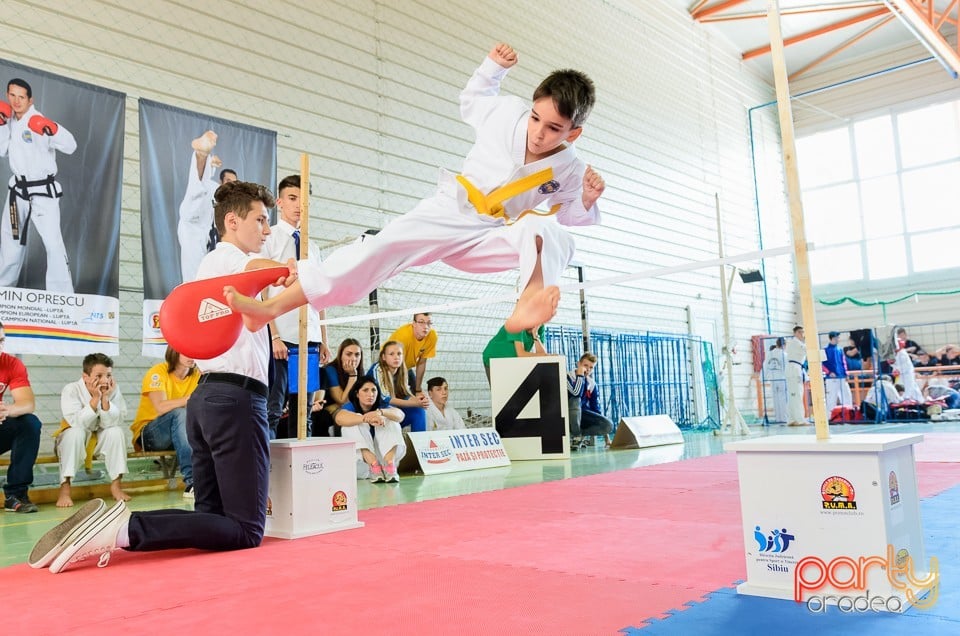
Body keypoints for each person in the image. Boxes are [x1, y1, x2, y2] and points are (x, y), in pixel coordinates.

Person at [224, 42, 605, 343]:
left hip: (492, 233)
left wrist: (585, 201)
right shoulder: (508, 112)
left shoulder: (571, 167)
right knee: (377, 249)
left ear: (573, 133)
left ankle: (525, 312)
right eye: (537, 119)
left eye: (554, 128)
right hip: (452, 211)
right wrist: (492, 67)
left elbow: (568, 212)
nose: (539, 132)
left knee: (549, 234)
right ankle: (269, 310)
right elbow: (472, 100)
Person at [33, 181, 298, 574]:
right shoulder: (229, 259)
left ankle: (118, 528)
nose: (265, 229)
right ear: (232, 221)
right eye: (260, 220)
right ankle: (123, 529)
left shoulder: (217, 268)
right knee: (245, 529)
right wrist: (286, 269)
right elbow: (258, 267)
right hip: (235, 401)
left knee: (214, 518)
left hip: (208, 400)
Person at [260, 175, 331, 439]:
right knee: (273, 410)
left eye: (303, 200)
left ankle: (300, 473)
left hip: (309, 338)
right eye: (292, 198)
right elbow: (262, 290)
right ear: (279, 202)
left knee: (304, 413)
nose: (298, 205)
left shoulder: (313, 246)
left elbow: (319, 292)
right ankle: (264, 474)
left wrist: (323, 338)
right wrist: (273, 335)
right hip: (283, 338)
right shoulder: (270, 239)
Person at [0, 78, 77, 292]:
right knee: (11, 242)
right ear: (7, 95)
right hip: (17, 191)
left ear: (30, 99)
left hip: (43, 192)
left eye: (21, 97)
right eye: (12, 95)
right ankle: (3, 290)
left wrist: (52, 129)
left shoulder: (37, 120)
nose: (16, 101)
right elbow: (1, 150)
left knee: (53, 244)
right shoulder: (8, 120)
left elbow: (71, 146)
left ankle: (62, 296)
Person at [55, 353, 129, 507]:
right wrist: (95, 399)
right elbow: (77, 422)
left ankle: (116, 485)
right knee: (75, 433)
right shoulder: (71, 389)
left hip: (99, 438)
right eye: (99, 375)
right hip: (73, 439)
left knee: (116, 432)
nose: (104, 380)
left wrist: (105, 399)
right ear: (85, 376)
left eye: (108, 375)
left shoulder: (113, 389)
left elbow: (113, 422)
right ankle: (65, 488)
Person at [130, 346, 200, 499]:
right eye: (186, 350)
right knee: (180, 413)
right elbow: (160, 407)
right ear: (175, 351)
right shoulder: (158, 372)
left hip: (181, 434)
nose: (191, 355)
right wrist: (190, 399)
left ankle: (209, 481)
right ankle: (192, 483)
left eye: (194, 350)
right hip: (150, 435)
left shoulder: (198, 376)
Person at [0, 321, 41, 513]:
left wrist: (6, 410)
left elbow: (27, 404)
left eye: (1, 341)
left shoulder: (11, 364)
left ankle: (16, 494)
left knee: (29, 423)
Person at [334, 376, 405, 483]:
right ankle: (374, 466)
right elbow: (339, 418)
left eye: (373, 390)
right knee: (352, 423)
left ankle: (390, 466)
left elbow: (400, 415)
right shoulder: (351, 406)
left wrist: (380, 413)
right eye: (365, 390)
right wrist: (365, 419)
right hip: (361, 464)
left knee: (391, 420)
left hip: (384, 464)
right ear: (357, 394)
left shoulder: (381, 406)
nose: (370, 394)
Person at [178, 130, 223, 283]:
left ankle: (203, 156)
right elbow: (198, 186)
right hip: (193, 222)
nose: (232, 184)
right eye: (228, 180)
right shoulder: (211, 186)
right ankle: (201, 154)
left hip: (207, 232)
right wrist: (205, 161)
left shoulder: (225, 202)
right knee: (197, 190)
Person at [368, 341, 428, 432]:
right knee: (395, 407)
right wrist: (415, 403)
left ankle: (419, 443)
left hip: (394, 411)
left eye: (399, 354)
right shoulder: (378, 369)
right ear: (383, 357)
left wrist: (419, 401)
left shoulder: (403, 369)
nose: (396, 357)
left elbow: (405, 395)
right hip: (375, 413)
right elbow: (386, 399)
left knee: (419, 411)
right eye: (391, 354)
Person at [313, 338, 365, 437]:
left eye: (357, 354)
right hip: (331, 411)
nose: (353, 358)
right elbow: (343, 400)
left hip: (350, 409)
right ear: (341, 355)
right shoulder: (331, 370)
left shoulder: (361, 373)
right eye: (348, 354)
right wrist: (352, 376)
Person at [566, 353, 614, 444]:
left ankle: (579, 435)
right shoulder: (567, 377)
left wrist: (606, 438)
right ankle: (576, 435)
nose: (588, 369)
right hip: (566, 413)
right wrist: (580, 375)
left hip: (582, 414)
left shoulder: (591, 383)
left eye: (591, 367)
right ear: (578, 364)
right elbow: (576, 393)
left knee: (608, 425)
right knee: (576, 401)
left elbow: (595, 407)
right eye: (585, 365)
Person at [387, 313, 437, 396]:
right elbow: (395, 364)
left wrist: (418, 390)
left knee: (417, 398)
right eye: (421, 322)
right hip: (389, 367)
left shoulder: (432, 336)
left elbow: (422, 362)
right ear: (414, 324)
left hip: (406, 367)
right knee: (399, 398)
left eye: (429, 323)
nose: (425, 327)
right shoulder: (404, 336)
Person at [482, 324, 546, 382]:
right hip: (495, 357)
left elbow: (542, 354)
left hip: (513, 360)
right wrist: (543, 356)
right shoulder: (517, 323)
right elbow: (521, 354)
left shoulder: (540, 326)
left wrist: (535, 334)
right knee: (502, 391)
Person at [205, 168, 237, 251]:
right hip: (207, 233)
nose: (231, 185)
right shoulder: (210, 192)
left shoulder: (236, 201)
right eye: (228, 181)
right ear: (221, 182)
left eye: (234, 182)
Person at [822, 331, 852, 410]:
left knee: (847, 395)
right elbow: (822, 364)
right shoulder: (825, 350)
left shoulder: (840, 350)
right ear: (832, 338)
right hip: (831, 378)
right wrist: (829, 372)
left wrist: (846, 373)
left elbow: (843, 362)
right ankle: (830, 416)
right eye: (837, 337)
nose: (838, 339)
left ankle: (849, 413)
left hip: (841, 376)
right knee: (831, 397)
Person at [785, 326, 807, 426]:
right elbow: (806, 350)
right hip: (794, 370)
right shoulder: (795, 343)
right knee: (796, 394)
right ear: (795, 333)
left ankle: (792, 419)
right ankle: (800, 419)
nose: (802, 334)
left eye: (802, 332)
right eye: (800, 332)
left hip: (795, 369)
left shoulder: (795, 343)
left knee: (793, 395)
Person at [762, 338, 788, 424]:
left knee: (776, 399)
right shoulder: (784, 355)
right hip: (782, 378)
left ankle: (778, 418)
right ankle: (784, 418)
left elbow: (765, 365)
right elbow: (786, 368)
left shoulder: (770, 354)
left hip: (773, 379)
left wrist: (763, 377)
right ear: (784, 345)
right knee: (783, 399)